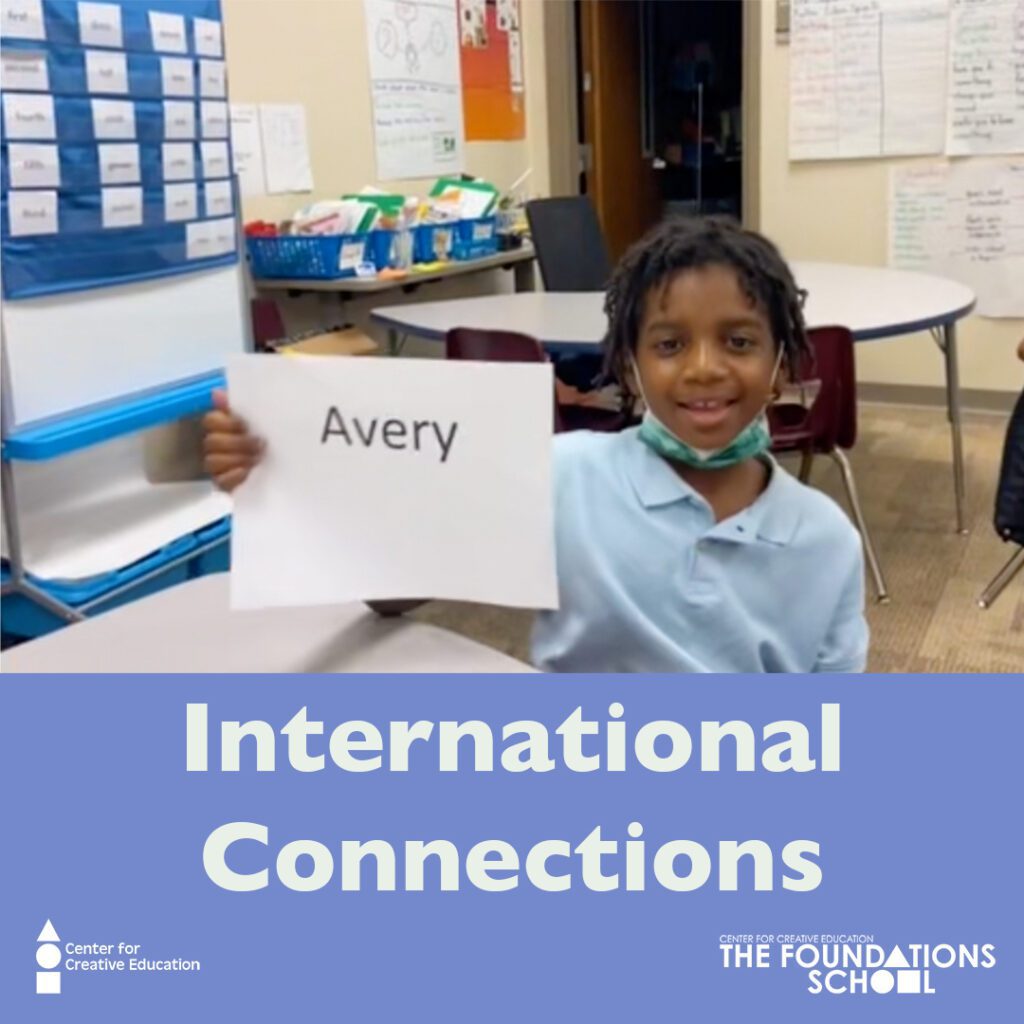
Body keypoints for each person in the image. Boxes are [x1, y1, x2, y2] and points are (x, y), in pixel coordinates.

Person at [204, 217, 868, 672]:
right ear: (630, 365)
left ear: (784, 365)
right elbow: (393, 594)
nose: (702, 368)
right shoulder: (560, 478)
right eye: (669, 344)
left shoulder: (826, 542)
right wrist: (282, 477)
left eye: (740, 341)